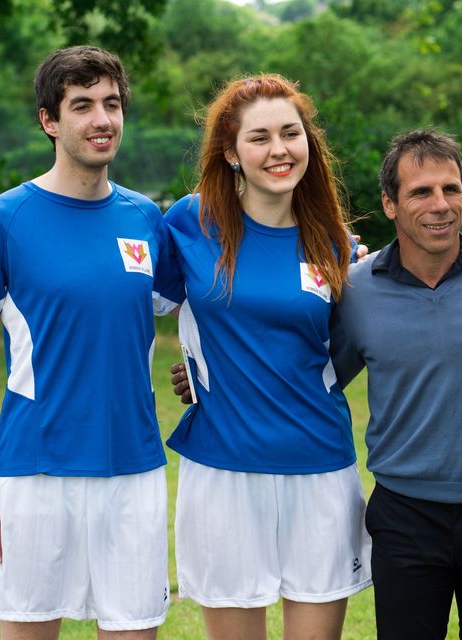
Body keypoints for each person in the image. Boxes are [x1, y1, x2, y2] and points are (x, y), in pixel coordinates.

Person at [163, 74, 371, 640]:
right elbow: (124, 305)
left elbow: (356, 349)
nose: (279, 150)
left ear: (309, 141)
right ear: (231, 152)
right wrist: (197, 368)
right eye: (259, 138)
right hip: (221, 469)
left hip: (320, 468)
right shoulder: (188, 223)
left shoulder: (339, 246)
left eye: (290, 133)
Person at [0, 46, 181, 637]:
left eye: (112, 104)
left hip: (134, 468)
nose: (102, 119)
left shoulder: (147, 218)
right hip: (33, 473)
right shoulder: (2, 219)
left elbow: (201, 311)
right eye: (82, 106)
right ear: (49, 120)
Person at [329, 128, 462, 639]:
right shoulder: (355, 290)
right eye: (421, 192)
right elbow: (308, 376)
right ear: (389, 204)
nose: (441, 205)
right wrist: (208, 375)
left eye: (451, 189)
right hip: (405, 516)